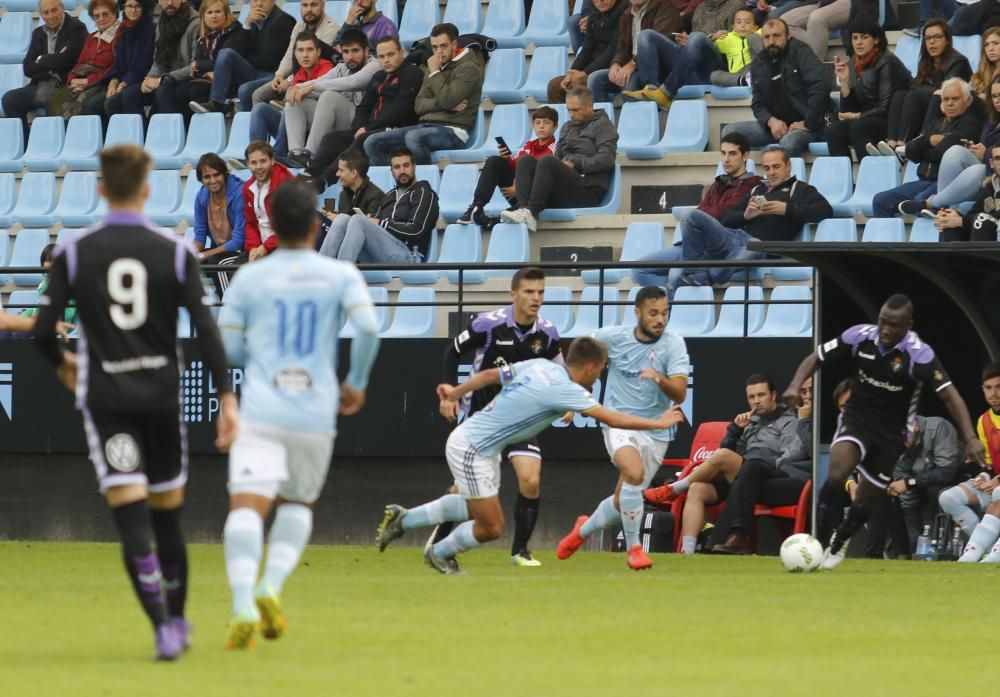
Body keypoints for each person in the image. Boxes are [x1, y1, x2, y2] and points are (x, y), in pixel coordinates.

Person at [31, 144, 239, 660]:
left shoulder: (75, 251)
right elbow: (209, 331)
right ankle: (180, 619)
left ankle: (162, 627)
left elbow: (41, 329)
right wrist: (227, 398)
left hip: (108, 402)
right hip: (161, 398)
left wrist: (65, 366)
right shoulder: (173, 252)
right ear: (146, 191)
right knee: (168, 516)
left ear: (102, 190)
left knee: (130, 517)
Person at [218, 179, 380, 649]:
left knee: (247, 505)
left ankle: (244, 603)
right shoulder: (339, 275)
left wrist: (263, 362)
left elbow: (228, 348)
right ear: (315, 225)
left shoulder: (250, 277)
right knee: (297, 504)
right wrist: (358, 382)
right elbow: (369, 328)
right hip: (314, 408)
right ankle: (272, 587)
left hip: (263, 407)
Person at [376, 336, 685, 573]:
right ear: (591, 367)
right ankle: (439, 553)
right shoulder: (567, 389)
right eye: (601, 369)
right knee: (491, 526)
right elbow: (614, 418)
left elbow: (488, 377)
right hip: (473, 447)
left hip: (478, 445)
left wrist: (456, 392)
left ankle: (404, 519)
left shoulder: (541, 366)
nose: (599, 376)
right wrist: (657, 422)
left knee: (475, 510)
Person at [783, 294, 986, 570]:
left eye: (894, 325)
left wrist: (971, 438)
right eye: (883, 322)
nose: (886, 330)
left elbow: (950, 396)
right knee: (836, 473)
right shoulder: (860, 336)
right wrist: (795, 384)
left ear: (908, 325)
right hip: (857, 418)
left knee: (866, 501)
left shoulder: (919, 355)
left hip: (892, 434)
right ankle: (816, 541)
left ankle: (840, 539)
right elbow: (817, 357)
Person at [427, 267, 564, 569]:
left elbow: (559, 369)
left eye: (541, 292)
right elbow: (453, 351)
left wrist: (566, 402)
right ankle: (438, 541)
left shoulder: (548, 333)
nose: (536, 298)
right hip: (482, 417)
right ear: (513, 294)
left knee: (530, 480)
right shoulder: (487, 325)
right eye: (529, 291)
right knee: (463, 492)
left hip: (522, 420)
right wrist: (450, 391)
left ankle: (520, 551)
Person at [553, 287, 689, 570]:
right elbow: (579, 358)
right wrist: (570, 399)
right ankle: (635, 549)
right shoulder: (611, 337)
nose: (660, 319)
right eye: (653, 313)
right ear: (637, 312)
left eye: (664, 313)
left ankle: (582, 531)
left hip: (657, 431)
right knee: (634, 472)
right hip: (618, 423)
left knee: (622, 500)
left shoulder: (674, 344)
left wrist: (659, 379)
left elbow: (679, 394)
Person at [646, 374, 810, 554]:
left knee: (732, 459)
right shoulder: (750, 422)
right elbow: (728, 450)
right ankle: (688, 552)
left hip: (766, 474)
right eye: (752, 397)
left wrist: (753, 462)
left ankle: (675, 488)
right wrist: (735, 430)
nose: (756, 401)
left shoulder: (789, 421)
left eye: (761, 395)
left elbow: (788, 458)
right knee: (697, 489)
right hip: (740, 476)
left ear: (773, 395)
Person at [664, 146, 832, 293]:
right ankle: (696, 270)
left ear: (788, 166)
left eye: (776, 167)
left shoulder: (800, 189)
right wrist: (745, 215)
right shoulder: (757, 189)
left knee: (751, 247)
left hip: (760, 247)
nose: (771, 172)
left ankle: (707, 274)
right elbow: (725, 218)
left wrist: (786, 209)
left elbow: (825, 210)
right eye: (767, 168)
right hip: (732, 238)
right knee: (688, 215)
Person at [630, 132, 762, 289]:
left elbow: (722, 214)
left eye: (732, 153)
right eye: (723, 153)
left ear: (745, 155)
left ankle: (690, 270)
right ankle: (667, 305)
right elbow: (704, 211)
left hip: (718, 244)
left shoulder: (752, 185)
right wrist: (703, 214)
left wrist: (703, 214)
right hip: (692, 242)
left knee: (676, 272)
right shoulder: (719, 183)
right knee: (638, 270)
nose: (726, 159)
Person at [299, 35, 423, 193]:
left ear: (401, 52)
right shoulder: (378, 76)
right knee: (332, 139)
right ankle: (309, 173)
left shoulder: (412, 73)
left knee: (363, 138)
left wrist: (368, 128)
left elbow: (402, 109)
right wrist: (360, 126)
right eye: (381, 56)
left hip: (398, 128)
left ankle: (324, 180)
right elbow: (364, 106)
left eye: (390, 55)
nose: (386, 60)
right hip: (372, 128)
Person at [363, 23, 486, 165]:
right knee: (371, 143)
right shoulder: (433, 66)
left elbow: (447, 100)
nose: (439, 52)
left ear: (454, 44)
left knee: (413, 138)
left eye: (443, 46)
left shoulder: (468, 68)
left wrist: (434, 73)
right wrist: (445, 105)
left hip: (453, 131)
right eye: (434, 47)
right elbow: (419, 105)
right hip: (425, 125)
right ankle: (399, 181)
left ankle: (422, 184)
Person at [500, 86, 617, 233]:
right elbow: (557, 160)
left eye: (576, 110)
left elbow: (607, 159)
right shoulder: (567, 127)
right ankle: (523, 209)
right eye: (569, 110)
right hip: (565, 188)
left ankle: (532, 211)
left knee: (547, 160)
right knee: (526, 161)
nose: (571, 114)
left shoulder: (603, 125)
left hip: (588, 189)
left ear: (589, 106)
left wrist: (575, 165)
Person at [871, 78, 982, 218]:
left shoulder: (972, 124)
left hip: (947, 184)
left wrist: (924, 146)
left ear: (968, 101)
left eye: (955, 99)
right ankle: (884, 240)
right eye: (946, 99)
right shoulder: (935, 124)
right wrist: (930, 140)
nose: (950, 103)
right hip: (923, 181)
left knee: (919, 201)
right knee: (880, 201)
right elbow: (911, 152)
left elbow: (946, 152)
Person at [721, 19, 831, 155]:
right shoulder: (759, 63)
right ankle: (745, 176)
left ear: (788, 36)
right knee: (729, 133)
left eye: (776, 36)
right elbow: (757, 104)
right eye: (767, 37)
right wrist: (771, 121)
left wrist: (808, 123)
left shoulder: (801, 52)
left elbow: (821, 86)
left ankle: (780, 174)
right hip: (777, 128)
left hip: (811, 125)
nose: (771, 41)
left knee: (788, 142)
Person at [318, 146, 438, 264]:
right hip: (382, 250)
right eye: (397, 167)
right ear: (391, 171)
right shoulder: (390, 195)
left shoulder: (423, 192)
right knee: (342, 218)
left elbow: (416, 230)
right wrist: (372, 221)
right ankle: (318, 272)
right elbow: (380, 225)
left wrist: (380, 223)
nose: (402, 171)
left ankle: (342, 277)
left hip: (409, 255)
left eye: (406, 166)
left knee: (358, 220)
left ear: (414, 167)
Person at [620, 0, 748, 109]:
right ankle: (652, 89)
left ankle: (666, 92)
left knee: (697, 37)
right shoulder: (700, 8)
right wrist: (686, 43)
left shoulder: (735, 6)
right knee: (646, 35)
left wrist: (709, 38)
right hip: (691, 67)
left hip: (715, 69)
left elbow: (740, 38)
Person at [872, 19, 972, 155]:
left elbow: (947, 92)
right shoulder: (926, 62)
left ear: (947, 40)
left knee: (914, 96)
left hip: (946, 105)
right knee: (899, 95)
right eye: (928, 38)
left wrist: (921, 91)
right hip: (927, 104)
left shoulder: (958, 62)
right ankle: (891, 143)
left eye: (937, 37)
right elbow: (915, 86)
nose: (931, 42)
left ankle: (904, 144)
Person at [281, 29, 379, 165]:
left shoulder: (375, 65)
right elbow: (321, 81)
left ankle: (310, 155)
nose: (350, 57)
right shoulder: (341, 68)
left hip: (363, 123)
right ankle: (296, 154)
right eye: (345, 52)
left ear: (366, 51)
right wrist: (296, 88)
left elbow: (354, 82)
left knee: (328, 96)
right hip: (342, 121)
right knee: (296, 101)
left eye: (355, 51)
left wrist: (312, 87)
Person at [188, 0, 295, 116]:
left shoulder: (283, 21)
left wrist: (244, 59)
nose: (258, 4)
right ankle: (216, 103)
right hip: (256, 72)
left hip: (273, 76)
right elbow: (237, 52)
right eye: (254, 0)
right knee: (226, 53)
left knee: (244, 89)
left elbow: (269, 60)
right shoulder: (254, 20)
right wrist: (247, 24)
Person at [456, 106, 558, 228]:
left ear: (555, 127)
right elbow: (516, 165)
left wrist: (518, 187)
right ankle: (476, 206)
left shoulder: (554, 148)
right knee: (494, 161)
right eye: (538, 123)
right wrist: (506, 159)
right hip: (518, 193)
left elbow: (540, 174)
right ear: (533, 125)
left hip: (537, 199)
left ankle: (496, 220)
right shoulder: (529, 145)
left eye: (546, 123)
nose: (541, 126)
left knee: (506, 214)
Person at [911, 78, 1000, 215]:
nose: (997, 100)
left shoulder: (972, 122)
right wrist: (975, 149)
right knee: (955, 151)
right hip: (988, 166)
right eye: (994, 96)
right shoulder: (991, 121)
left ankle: (934, 203)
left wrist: (986, 153)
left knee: (978, 170)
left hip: (993, 171)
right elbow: (912, 152)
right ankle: (945, 210)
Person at [2, 0, 87, 141]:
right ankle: (25, 143)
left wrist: (41, 59)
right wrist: (52, 63)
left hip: (64, 84)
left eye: (54, 10)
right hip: (41, 84)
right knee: (10, 99)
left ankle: (54, 145)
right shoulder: (38, 33)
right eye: (45, 12)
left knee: (55, 102)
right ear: (40, 14)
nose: (50, 15)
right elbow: (27, 68)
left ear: (62, 9)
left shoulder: (77, 28)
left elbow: (67, 61)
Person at [825, 24, 913, 162]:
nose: (858, 42)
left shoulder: (887, 62)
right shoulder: (854, 62)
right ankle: (846, 179)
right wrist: (845, 82)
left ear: (876, 40)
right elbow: (847, 110)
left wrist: (856, 116)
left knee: (859, 127)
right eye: (855, 38)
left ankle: (871, 174)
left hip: (892, 122)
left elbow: (885, 108)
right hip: (866, 119)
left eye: (864, 37)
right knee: (833, 130)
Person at [939, 363, 1000, 560]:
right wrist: (983, 476)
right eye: (988, 388)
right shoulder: (984, 420)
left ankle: (990, 555)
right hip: (995, 485)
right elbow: (989, 464)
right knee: (947, 498)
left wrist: (997, 481)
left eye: (999, 387)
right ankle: (980, 548)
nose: (994, 393)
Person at [104, 0, 199, 125]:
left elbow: (194, 66)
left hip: (183, 78)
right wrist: (148, 79)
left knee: (163, 92)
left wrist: (161, 80)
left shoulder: (195, 23)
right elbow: (158, 60)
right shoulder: (162, 21)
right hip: (164, 79)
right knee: (130, 94)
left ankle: (170, 137)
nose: (169, 3)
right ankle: (140, 138)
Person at [246, 32, 335, 160]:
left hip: (316, 131)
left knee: (293, 102)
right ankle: (255, 156)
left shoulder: (327, 68)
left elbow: (322, 99)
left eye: (309, 50)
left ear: (318, 52)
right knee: (260, 109)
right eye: (300, 50)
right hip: (295, 130)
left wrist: (295, 93)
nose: (305, 55)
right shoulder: (299, 73)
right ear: (295, 54)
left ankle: (278, 154)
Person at [155, 0, 243, 120]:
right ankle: (183, 131)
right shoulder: (203, 37)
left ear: (226, 14)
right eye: (209, 12)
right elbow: (195, 66)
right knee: (176, 91)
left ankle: (210, 125)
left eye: (218, 11)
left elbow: (224, 61)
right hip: (207, 79)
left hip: (230, 80)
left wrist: (201, 66)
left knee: (195, 90)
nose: (214, 16)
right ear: (203, 16)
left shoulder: (235, 32)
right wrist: (205, 70)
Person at [247, 0, 339, 112]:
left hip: (314, 77)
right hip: (295, 74)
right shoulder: (299, 26)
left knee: (287, 95)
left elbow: (312, 60)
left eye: (313, 5)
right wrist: (280, 74)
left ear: (323, 6)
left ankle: (283, 120)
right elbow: (290, 54)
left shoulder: (331, 29)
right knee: (258, 95)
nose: (309, 9)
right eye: (305, 5)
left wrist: (290, 80)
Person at [586, 0, 683, 103]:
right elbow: (622, 47)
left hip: (656, 67)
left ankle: (642, 115)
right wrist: (616, 63)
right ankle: (603, 118)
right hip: (633, 67)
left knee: (628, 84)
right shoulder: (626, 14)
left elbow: (658, 43)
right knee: (595, 79)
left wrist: (632, 64)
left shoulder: (665, 7)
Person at [888, 415, 960, 553]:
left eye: (905, 433)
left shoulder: (938, 426)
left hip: (954, 477)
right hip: (918, 482)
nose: (902, 439)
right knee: (891, 495)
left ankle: (942, 546)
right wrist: (916, 540)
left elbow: (946, 472)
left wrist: (908, 483)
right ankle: (909, 551)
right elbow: (903, 486)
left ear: (915, 426)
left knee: (935, 491)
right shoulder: (897, 444)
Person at [47, 0, 122, 120]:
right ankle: (62, 136)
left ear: (115, 14)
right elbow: (79, 64)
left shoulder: (121, 36)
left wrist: (88, 81)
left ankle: (84, 136)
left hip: (105, 82)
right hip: (82, 82)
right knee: (55, 98)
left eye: (105, 14)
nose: (101, 19)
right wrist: (72, 80)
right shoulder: (91, 38)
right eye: (97, 16)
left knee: (85, 101)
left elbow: (116, 67)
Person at [547, 0, 627, 103]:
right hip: (593, 67)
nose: (601, 1)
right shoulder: (594, 15)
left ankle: (599, 118)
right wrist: (572, 72)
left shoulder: (625, 12)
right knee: (555, 85)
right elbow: (586, 49)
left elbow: (613, 51)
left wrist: (585, 73)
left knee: (593, 79)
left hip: (613, 68)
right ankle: (565, 119)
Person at [192, 153, 246, 296]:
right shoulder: (201, 197)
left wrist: (205, 255)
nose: (213, 180)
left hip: (242, 251)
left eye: (216, 175)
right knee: (183, 265)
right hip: (220, 250)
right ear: (201, 179)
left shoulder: (240, 193)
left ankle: (227, 312)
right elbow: (199, 238)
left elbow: (238, 241)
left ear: (224, 174)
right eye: (207, 177)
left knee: (218, 265)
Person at [95, 0, 155, 123]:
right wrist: (113, 81)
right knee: (93, 104)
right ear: (123, 7)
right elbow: (118, 64)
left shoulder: (150, 29)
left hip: (142, 81)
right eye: (129, 6)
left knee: (112, 103)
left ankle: (133, 137)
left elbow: (145, 63)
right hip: (124, 81)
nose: (133, 10)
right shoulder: (123, 30)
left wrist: (124, 83)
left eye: (137, 6)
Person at [243, 140, 296, 261]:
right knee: (233, 271)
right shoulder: (247, 188)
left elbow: (290, 226)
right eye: (254, 163)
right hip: (261, 247)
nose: (259, 167)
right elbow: (250, 223)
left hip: (286, 246)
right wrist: (252, 248)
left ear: (272, 160)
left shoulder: (287, 184)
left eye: (263, 161)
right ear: (248, 164)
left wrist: (265, 248)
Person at [935, 142, 1000, 240]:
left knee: (980, 220)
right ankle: (951, 255)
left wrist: (962, 221)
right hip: (989, 234)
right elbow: (975, 212)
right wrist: (952, 218)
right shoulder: (991, 187)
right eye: (997, 158)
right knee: (948, 220)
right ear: (991, 163)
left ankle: (931, 203)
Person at [709, 8, 763, 87]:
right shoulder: (727, 38)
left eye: (747, 22)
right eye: (738, 22)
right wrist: (713, 37)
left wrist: (759, 35)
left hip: (754, 68)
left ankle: (766, 72)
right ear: (733, 27)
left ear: (755, 27)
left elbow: (772, 31)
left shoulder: (759, 33)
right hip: (737, 75)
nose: (743, 25)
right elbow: (708, 47)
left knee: (752, 38)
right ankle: (745, 82)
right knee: (714, 75)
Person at [782, 0, 851, 60]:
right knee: (784, 22)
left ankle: (814, 65)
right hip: (820, 2)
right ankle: (807, 56)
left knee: (817, 19)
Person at [327, 148, 385, 217]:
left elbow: (371, 226)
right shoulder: (343, 195)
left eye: (341, 170)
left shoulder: (376, 196)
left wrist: (338, 219)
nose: (337, 174)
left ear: (354, 173)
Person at [333, 0, 398, 45]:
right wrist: (348, 22)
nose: (359, 2)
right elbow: (335, 51)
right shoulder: (353, 26)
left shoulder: (385, 26)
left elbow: (385, 58)